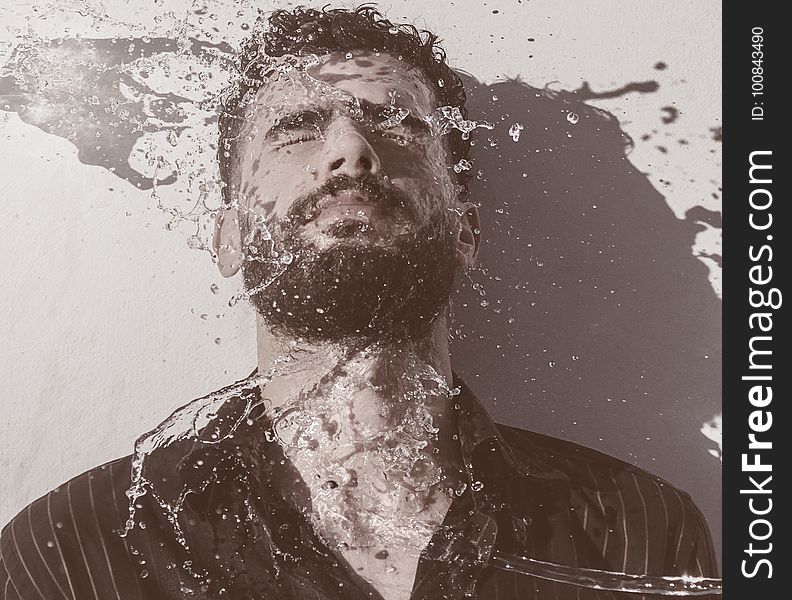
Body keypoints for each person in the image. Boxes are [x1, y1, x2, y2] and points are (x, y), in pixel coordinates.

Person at [0, 5, 718, 600]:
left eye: (400, 126)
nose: (349, 149)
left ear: (465, 230)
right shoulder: (70, 552)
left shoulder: (639, 532)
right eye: (297, 129)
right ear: (227, 237)